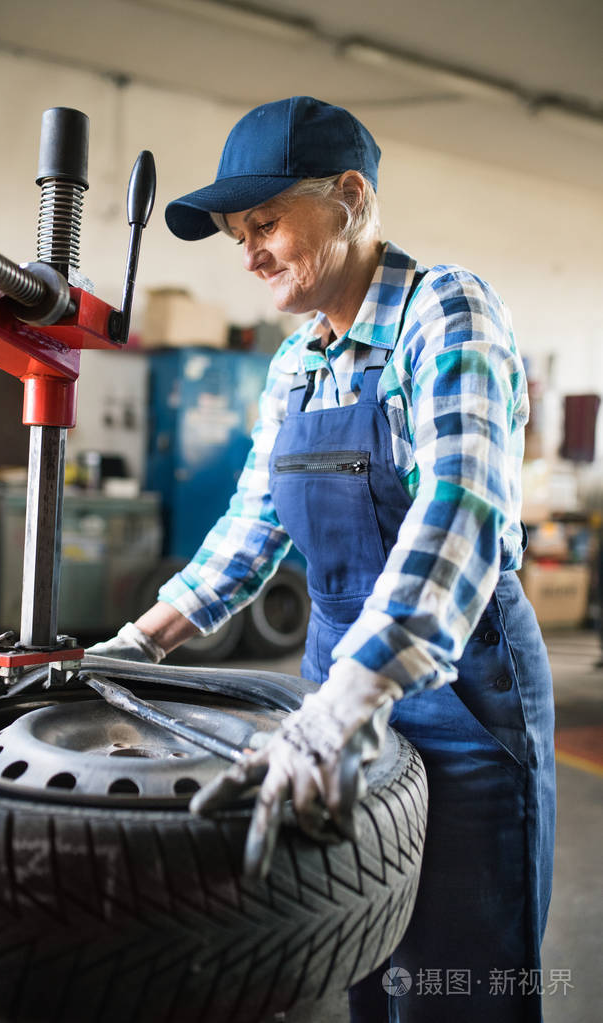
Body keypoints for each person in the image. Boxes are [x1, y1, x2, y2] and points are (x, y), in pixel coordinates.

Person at [89, 96, 555, 1022]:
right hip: (331, 690)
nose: (250, 254)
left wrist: (347, 704)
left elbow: (461, 512)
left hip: (461, 696)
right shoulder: (297, 362)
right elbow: (250, 528)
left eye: (265, 223)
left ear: (350, 197)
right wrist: (135, 645)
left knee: (458, 978)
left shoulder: (446, 311)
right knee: (365, 962)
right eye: (238, 236)